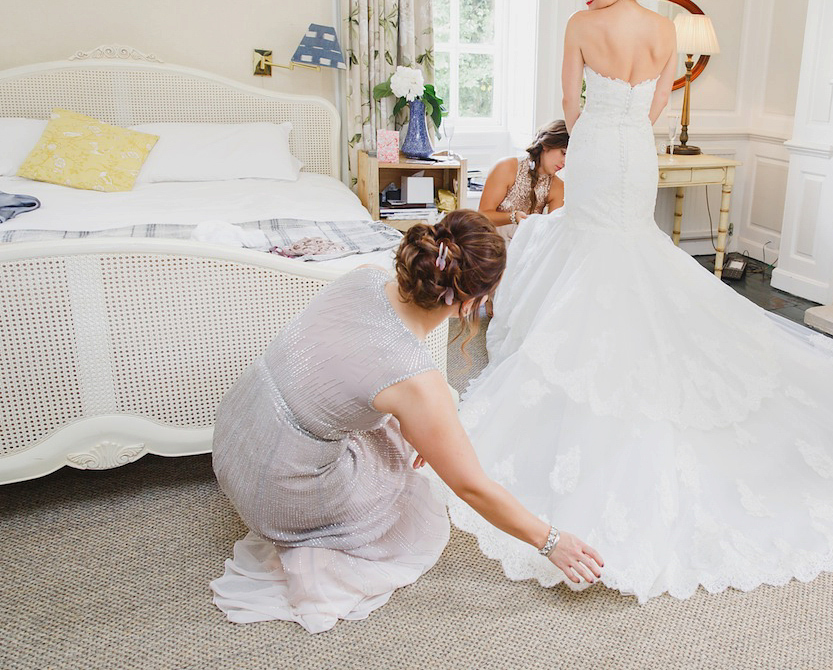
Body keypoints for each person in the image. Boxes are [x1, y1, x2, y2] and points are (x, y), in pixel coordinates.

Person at [438, 0, 833, 604]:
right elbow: (656, 105)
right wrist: (623, 132)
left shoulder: (582, 25)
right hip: (636, 152)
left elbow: (570, 106)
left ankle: (597, 355)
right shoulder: (665, 28)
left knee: (597, 251)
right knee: (630, 248)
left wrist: (588, 140)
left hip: (596, 148)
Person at [209, 210, 602, 633]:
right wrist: (550, 541)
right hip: (277, 490)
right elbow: (471, 486)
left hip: (232, 436)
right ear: (471, 303)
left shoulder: (361, 277)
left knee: (398, 434)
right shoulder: (416, 381)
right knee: (413, 501)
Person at [478, 120, 568, 242]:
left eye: (569, 157)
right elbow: (482, 215)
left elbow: (551, 232)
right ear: (547, 144)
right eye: (563, 153)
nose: (565, 162)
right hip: (492, 244)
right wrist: (513, 217)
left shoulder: (558, 186)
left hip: (526, 248)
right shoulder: (506, 167)